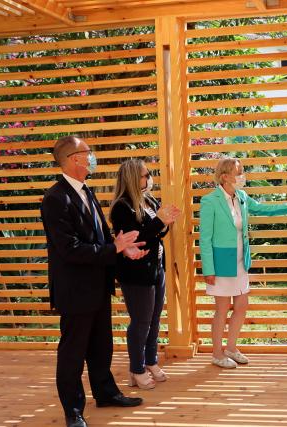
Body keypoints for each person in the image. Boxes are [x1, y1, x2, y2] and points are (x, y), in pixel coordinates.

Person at [40, 136, 147, 427]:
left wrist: (124, 248)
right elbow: (70, 249)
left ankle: (106, 393)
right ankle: (73, 411)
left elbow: (98, 239)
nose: (92, 157)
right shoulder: (55, 198)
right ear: (75, 159)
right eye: (88, 153)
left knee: (102, 346)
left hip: (98, 285)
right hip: (75, 289)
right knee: (73, 352)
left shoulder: (86, 191)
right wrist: (115, 248)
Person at [199, 157, 287, 369]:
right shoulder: (210, 201)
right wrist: (209, 269)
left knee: (241, 305)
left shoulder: (241, 196)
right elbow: (204, 239)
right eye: (239, 172)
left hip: (242, 260)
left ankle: (231, 348)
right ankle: (216, 353)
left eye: (242, 171)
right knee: (222, 309)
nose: (243, 176)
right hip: (221, 261)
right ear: (225, 176)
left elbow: (264, 209)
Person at [110, 159, 181, 390]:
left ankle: (151, 361)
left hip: (155, 267)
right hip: (135, 272)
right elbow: (137, 237)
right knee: (141, 322)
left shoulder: (148, 199)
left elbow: (157, 231)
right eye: (145, 175)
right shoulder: (122, 207)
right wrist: (160, 221)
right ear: (132, 178)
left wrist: (166, 220)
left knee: (154, 319)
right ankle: (136, 369)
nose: (149, 178)